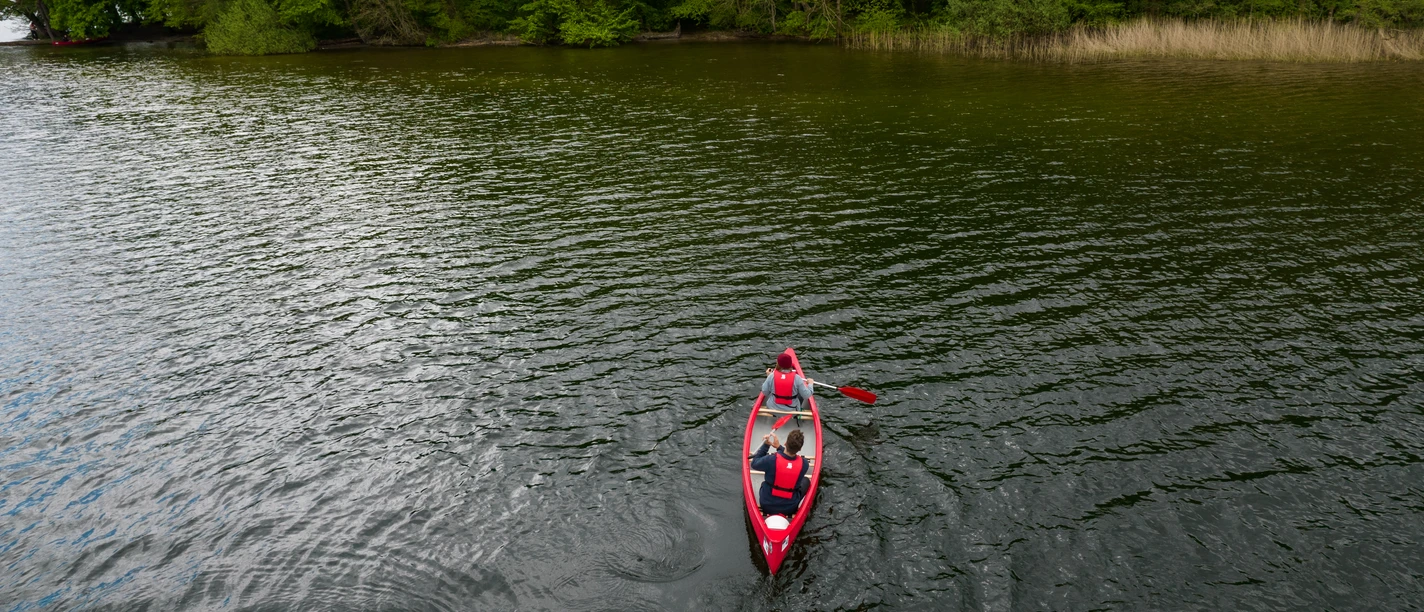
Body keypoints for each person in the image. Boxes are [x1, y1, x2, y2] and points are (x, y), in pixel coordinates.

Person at [752, 429, 810, 516]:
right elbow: (789, 460)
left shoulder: (771, 459)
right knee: (806, 480)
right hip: (790, 508)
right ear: (800, 449)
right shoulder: (804, 464)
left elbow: (754, 463)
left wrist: (766, 446)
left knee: (766, 481)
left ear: (785, 443)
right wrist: (779, 447)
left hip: (766, 505)